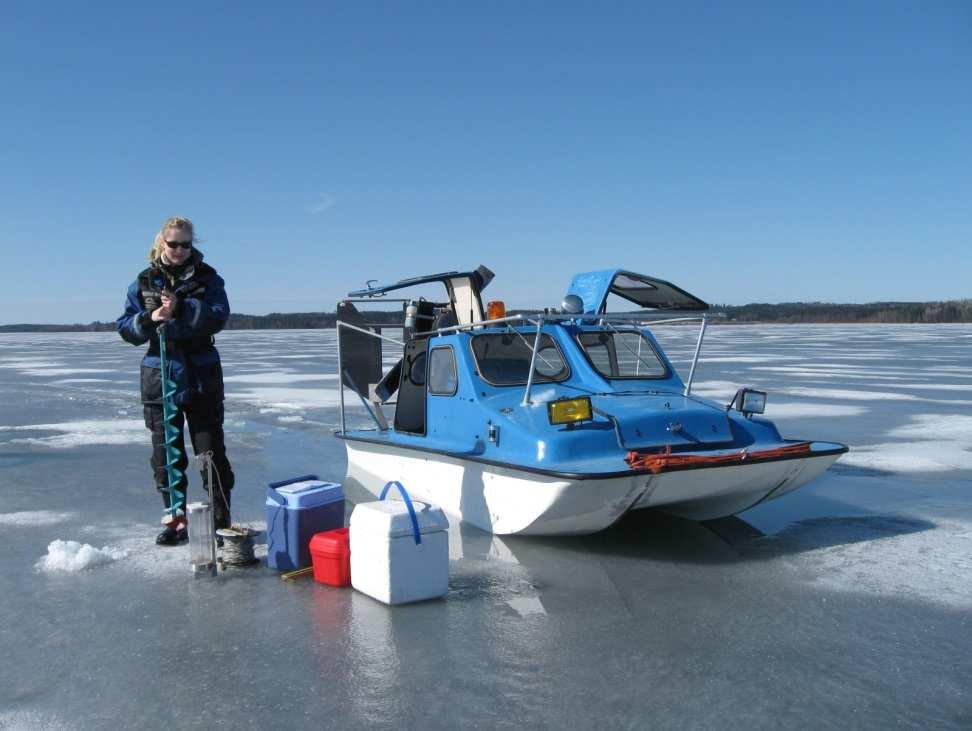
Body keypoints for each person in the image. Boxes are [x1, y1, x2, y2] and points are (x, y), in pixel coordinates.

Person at [116, 216, 235, 545]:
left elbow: (218, 316)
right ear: (162, 244)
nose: (180, 250)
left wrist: (182, 308)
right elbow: (126, 327)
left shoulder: (208, 278)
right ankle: (176, 521)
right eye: (174, 244)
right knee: (166, 454)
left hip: (200, 375)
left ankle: (220, 520)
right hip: (160, 375)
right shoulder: (144, 281)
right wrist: (149, 318)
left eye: (186, 244)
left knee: (210, 451)